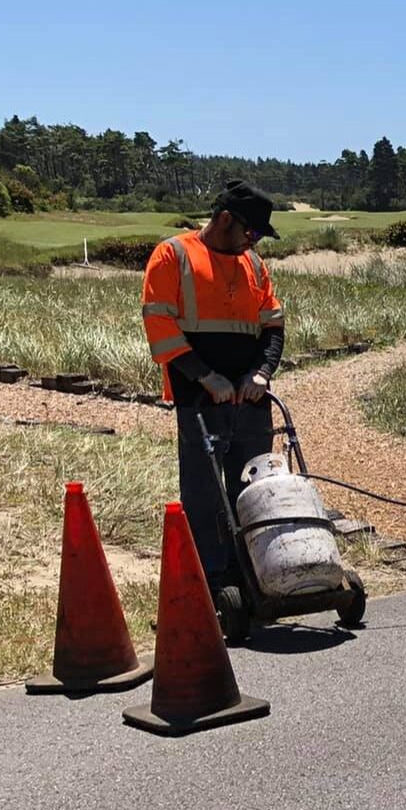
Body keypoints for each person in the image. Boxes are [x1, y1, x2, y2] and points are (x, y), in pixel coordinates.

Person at [140, 181, 288, 595]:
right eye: (251, 232)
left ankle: (257, 575)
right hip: (199, 398)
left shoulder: (254, 265)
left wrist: (261, 373)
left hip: (251, 400)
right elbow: (161, 328)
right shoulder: (174, 255)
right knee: (204, 498)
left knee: (255, 490)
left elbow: (273, 327)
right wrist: (206, 376)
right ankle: (211, 584)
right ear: (225, 220)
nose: (253, 241)